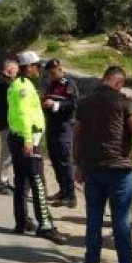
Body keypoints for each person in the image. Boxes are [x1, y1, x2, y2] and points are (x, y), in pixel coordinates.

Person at [74, 66, 132, 263]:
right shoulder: (125, 102)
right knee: (121, 218)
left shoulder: (85, 104)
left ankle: (90, 262)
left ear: (103, 79)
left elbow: (77, 136)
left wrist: (78, 165)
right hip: (120, 169)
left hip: (93, 168)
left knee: (94, 216)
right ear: (118, 83)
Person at [7, 50, 69, 245]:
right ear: (29, 67)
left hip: (19, 137)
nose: (40, 70)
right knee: (38, 182)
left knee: (21, 182)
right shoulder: (24, 87)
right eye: (37, 66)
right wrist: (28, 140)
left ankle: (22, 220)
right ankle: (45, 225)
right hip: (27, 139)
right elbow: (25, 114)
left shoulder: (18, 85)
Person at [42, 58, 79, 208]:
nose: (50, 76)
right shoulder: (52, 85)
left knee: (65, 160)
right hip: (52, 125)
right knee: (55, 159)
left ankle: (71, 196)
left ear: (59, 69)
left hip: (64, 126)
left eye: (52, 73)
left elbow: (74, 103)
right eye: (49, 74)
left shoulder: (68, 84)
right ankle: (62, 190)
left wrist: (56, 104)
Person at [0, 58, 19, 194]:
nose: (16, 74)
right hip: (7, 122)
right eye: (16, 71)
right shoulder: (6, 84)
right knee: (7, 154)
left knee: (6, 153)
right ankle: (1, 182)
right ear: (10, 69)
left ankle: (3, 180)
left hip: (1, 121)